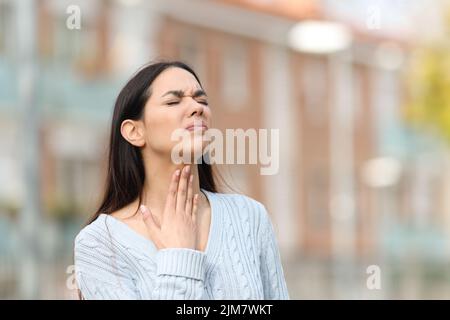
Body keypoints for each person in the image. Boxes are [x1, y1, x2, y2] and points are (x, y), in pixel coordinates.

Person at [73, 61, 289, 299]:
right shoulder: (100, 244)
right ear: (134, 132)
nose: (197, 108)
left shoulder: (250, 217)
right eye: (173, 101)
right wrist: (179, 257)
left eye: (202, 100)